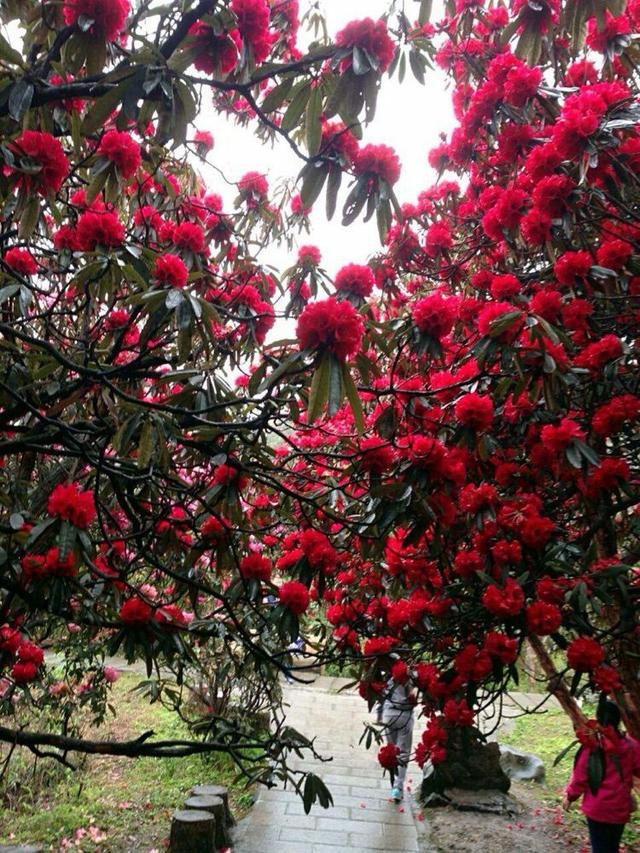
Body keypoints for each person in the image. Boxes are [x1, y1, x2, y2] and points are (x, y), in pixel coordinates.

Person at [563, 699, 640, 853]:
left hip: (597, 809)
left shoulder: (592, 747)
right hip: (619, 808)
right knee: (612, 847)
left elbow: (581, 777)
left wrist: (570, 796)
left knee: (600, 848)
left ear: (597, 717)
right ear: (619, 718)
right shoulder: (632, 745)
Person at [380, 673, 415, 802]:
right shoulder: (411, 673)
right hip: (405, 716)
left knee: (392, 753)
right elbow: (414, 695)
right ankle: (397, 790)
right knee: (403, 754)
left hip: (389, 715)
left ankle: (393, 783)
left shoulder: (385, 672)